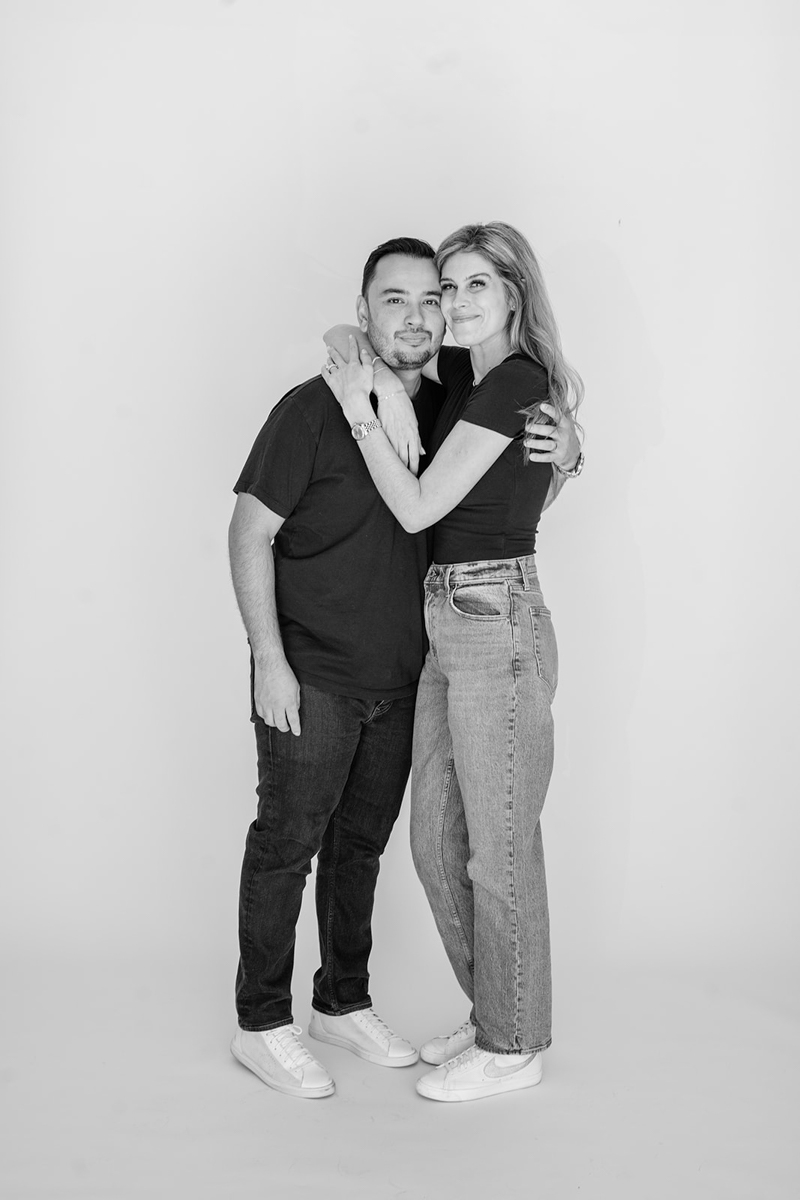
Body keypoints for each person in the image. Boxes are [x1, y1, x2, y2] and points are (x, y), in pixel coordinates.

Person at [322, 221, 584, 1103]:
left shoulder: (513, 382)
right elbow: (343, 335)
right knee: (438, 843)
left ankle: (514, 1043)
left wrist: (364, 412)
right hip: (450, 620)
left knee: (498, 851)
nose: (457, 304)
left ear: (515, 295)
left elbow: (420, 505)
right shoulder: (471, 386)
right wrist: (384, 388)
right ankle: (498, 1014)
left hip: (494, 620)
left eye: (478, 286)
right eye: (447, 289)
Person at [227, 237, 448, 1099]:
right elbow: (249, 532)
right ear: (364, 315)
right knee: (286, 848)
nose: (417, 316)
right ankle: (260, 1022)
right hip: (310, 675)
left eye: (430, 300)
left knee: (360, 850)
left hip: (398, 683)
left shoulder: (443, 407)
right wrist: (267, 662)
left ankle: (340, 1002)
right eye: (394, 300)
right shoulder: (311, 410)